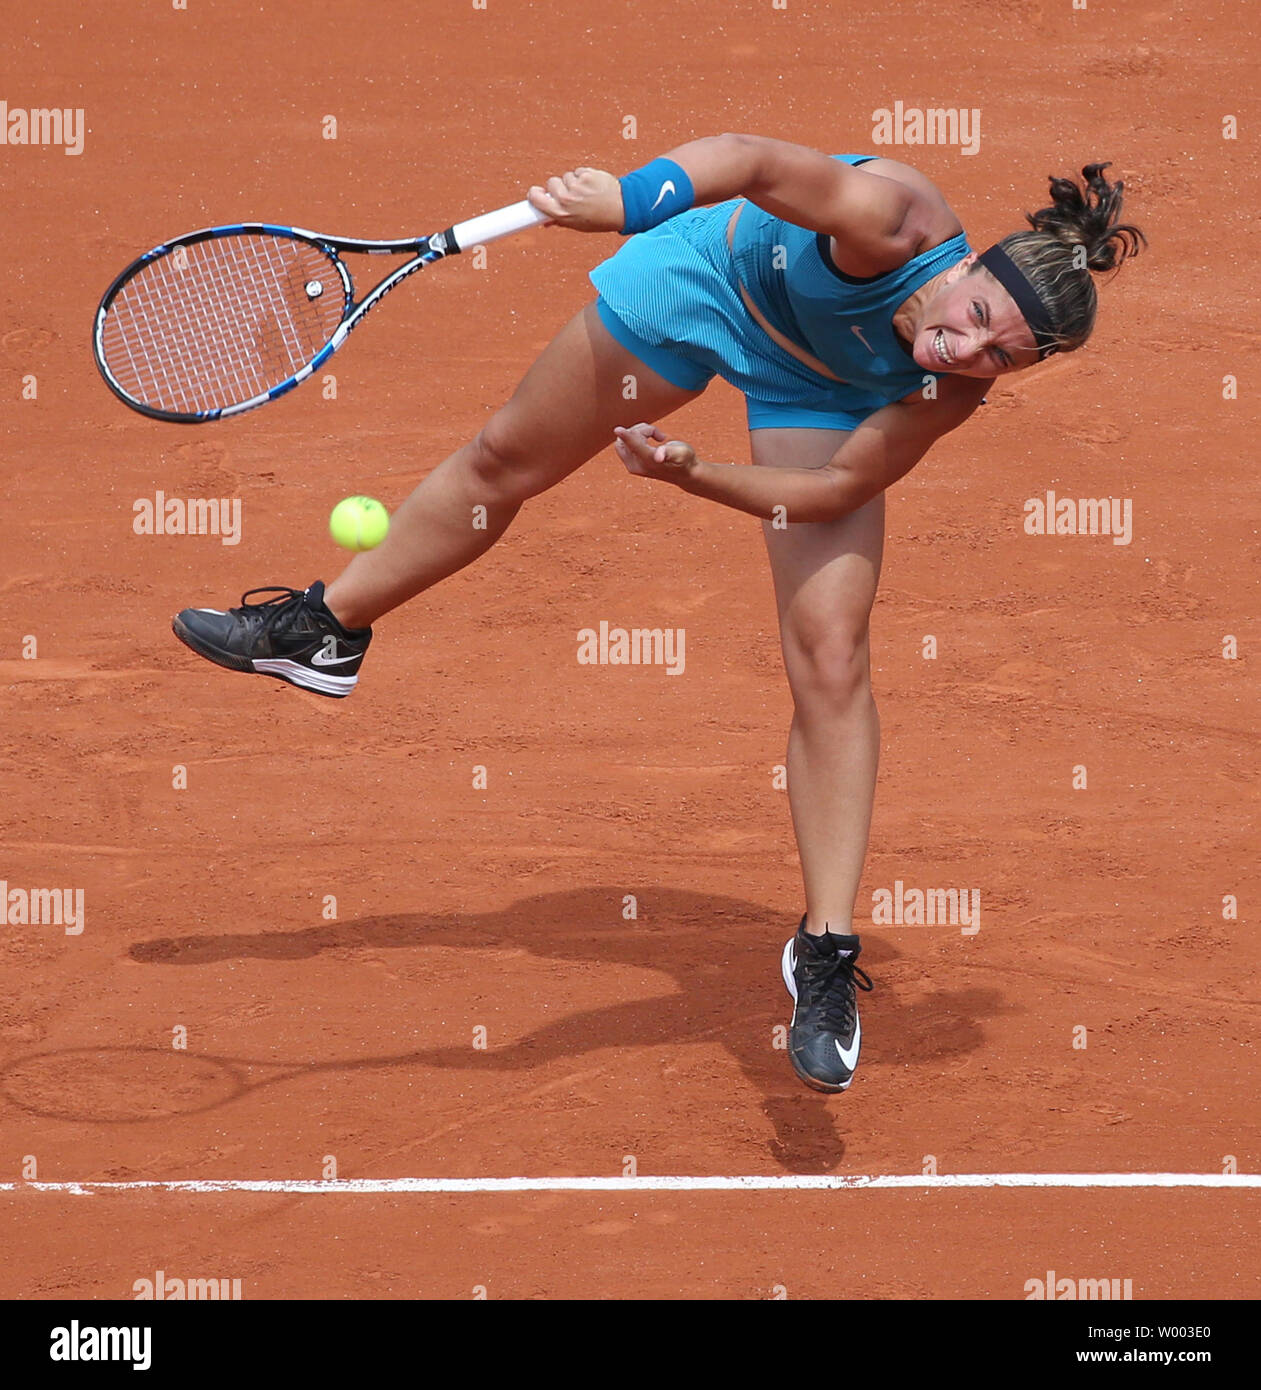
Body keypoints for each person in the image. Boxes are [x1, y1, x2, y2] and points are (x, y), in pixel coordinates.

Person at [172, 135, 1145, 1094]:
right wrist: (630, 202)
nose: (964, 347)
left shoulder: (949, 388)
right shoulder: (889, 218)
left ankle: (823, 950)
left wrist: (696, 472)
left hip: (825, 391)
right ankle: (323, 629)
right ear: (967, 266)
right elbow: (752, 161)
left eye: (999, 357)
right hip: (714, 283)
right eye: (974, 315)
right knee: (505, 460)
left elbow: (834, 485)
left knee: (831, 655)